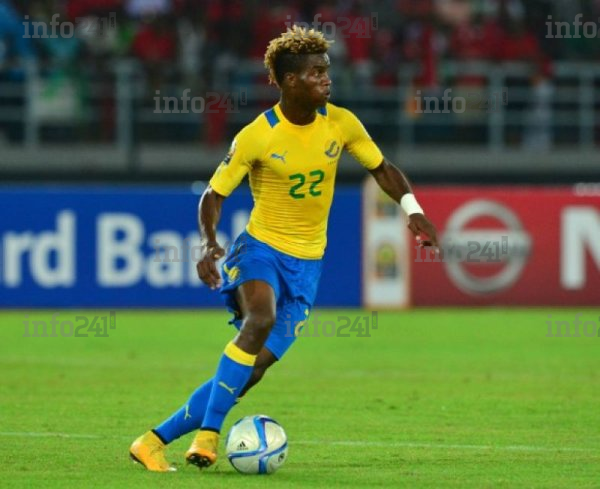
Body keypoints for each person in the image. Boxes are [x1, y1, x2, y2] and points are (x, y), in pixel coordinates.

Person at [129, 26, 438, 472]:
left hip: (307, 266)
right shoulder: (258, 135)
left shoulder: (341, 123)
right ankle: (209, 434)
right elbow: (213, 194)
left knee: (251, 370)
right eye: (316, 73)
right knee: (260, 318)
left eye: (326, 71)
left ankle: (152, 441)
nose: (327, 79)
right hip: (260, 250)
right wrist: (209, 243)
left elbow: (382, 168)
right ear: (290, 80)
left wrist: (413, 210)